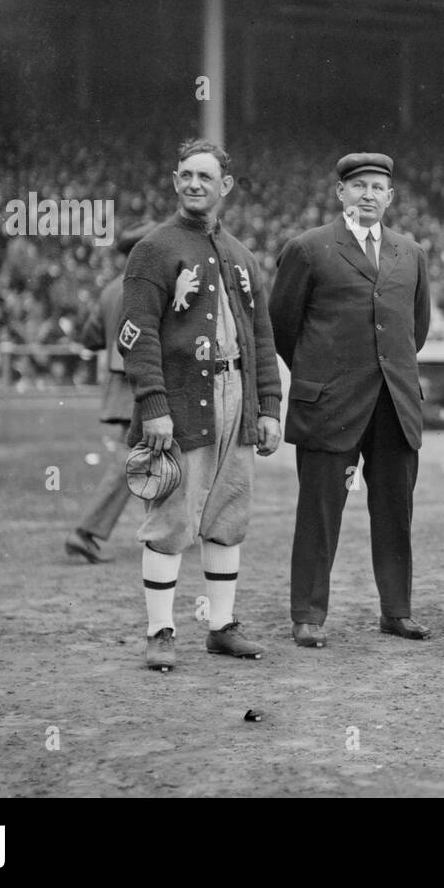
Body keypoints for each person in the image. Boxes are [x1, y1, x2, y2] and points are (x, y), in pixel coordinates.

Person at [118, 139, 282, 671]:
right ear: (174, 180)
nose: (193, 184)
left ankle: (220, 626)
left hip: (237, 394)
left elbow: (261, 336)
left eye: (204, 177)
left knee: (227, 513)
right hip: (183, 397)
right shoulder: (154, 249)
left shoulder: (241, 255)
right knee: (171, 516)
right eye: (185, 174)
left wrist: (268, 408)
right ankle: (161, 631)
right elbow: (135, 334)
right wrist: (153, 404)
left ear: (225, 187)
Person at [268, 152, 432, 648]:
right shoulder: (308, 248)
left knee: (394, 512)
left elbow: (416, 330)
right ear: (340, 193)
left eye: (378, 187)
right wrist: (324, 376)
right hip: (330, 406)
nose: (368, 194)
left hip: (394, 405)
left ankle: (396, 611)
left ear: (390, 196)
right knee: (319, 512)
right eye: (358, 185)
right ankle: (308, 615)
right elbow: (283, 327)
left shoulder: (411, 253)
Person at [65, 223, 152, 564]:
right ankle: (85, 531)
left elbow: (89, 339)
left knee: (149, 457)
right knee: (131, 461)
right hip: (142, 384)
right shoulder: (146, 288)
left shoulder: (110, 289)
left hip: (119, 386)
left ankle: (164, 530)